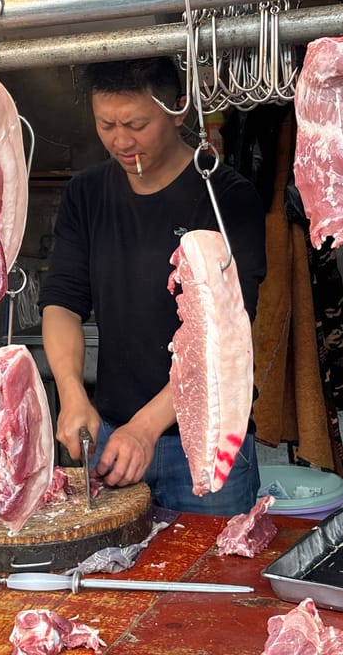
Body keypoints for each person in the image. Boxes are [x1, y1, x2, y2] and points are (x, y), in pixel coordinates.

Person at [38, 57, 266, 515]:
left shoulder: (226, 197)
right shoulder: (87, 194)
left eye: (136, 124)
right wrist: (72, 393)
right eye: (106, 124)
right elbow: (62, 302)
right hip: (113, 443)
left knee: (210, 580)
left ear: (178, 110)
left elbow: (220, 338)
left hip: (205, 443)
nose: (121, 141)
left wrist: (146, 428)